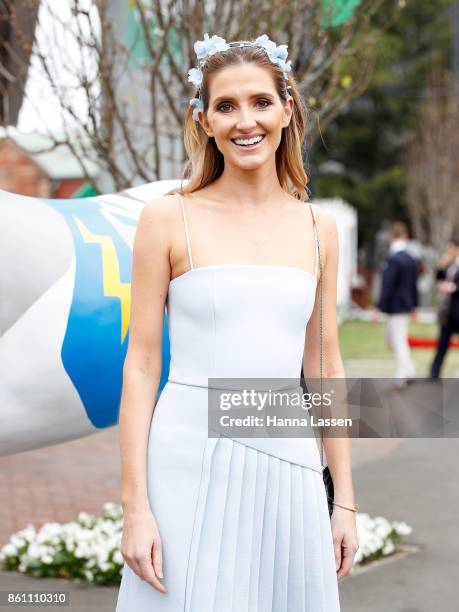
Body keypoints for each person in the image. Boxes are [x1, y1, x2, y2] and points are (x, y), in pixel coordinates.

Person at [116, 33, 358, 612]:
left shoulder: (318, 229)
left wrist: (343, 498)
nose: (245, 121)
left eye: (260, 102)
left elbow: (323, 364)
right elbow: (143, 363)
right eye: (226, 106)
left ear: (287, 110)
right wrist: (135, 507)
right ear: (203, 120)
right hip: (185, 460)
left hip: (290, 462)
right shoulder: (166, 219)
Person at [375, 222, 418, 387]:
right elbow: (413, 285)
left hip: (395, 306)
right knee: (399, 340)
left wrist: (379, 306)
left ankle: (404, 374)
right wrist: (414, 305)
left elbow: (388, 285)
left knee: (398, 340)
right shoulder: (410, 258)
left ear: (392, 237)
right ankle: (408, 370)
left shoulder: (393, 259)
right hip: (406, 305)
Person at [429, 237, 459, 379]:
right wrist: (442, 264)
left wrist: (452, 288)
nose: (449, 251)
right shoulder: (450, 265)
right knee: (442, 344)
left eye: (452, 248)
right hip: (448, 312)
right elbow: (439, 277)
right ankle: (434, 372)